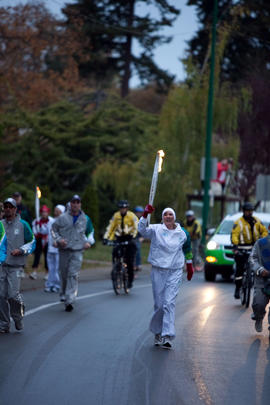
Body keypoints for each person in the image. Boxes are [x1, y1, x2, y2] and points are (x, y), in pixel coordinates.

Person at [138, 204, 194, 349]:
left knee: (169, 303)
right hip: (158, 270)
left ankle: (167, 335)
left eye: (170, 214)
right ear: (162, 217)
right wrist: (145, 215)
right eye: (165, 215)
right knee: (159, 305)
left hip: (175, 270)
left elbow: (187, 248)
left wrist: (189, 265)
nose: (168, 217)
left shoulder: (182, 233)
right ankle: (157, 331)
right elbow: (142, 230)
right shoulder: (156, 229)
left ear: (174, 217)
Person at [51, 194, 93, 312]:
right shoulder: (62, 217)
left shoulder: (85, 218)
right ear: (70, 204)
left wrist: (89, 242)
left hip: (78, 250)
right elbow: (53, 230)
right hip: (64, 250)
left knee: (73, 274)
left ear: (80, 204)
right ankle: (64, 294)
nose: (75, 204)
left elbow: (90, 232)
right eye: (73, 202)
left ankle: (69, 299)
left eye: (77, 202)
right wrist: (58, 240)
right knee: (64, 274)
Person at [0, 198, 35, 333]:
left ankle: (18, 317)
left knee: (12, 295)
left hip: (15, 266)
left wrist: (21, 250)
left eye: (11, 207)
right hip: (2, 266)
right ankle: (4, 323)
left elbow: (32, 241)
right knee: (1, 295)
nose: (8, 209)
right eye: (6, 206)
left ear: (15, 209)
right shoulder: (0, 225)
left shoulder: (22, 225)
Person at [231, 202, 268, 299]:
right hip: (242, 248)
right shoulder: (238, 222)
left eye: (251, 211)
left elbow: (264, 231)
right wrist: (235, 246)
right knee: (239, 269)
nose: (250, 213)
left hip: (254, 248)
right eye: (248, 211)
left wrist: (264, 241)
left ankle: (258, 284)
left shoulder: (257, 221)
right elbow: (234, 234)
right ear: (244, 211)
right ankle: (238, 288)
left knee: (259, 265)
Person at [103, 200, 138, 289]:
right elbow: (110, 227)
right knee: (115, 252)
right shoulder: (116, 216)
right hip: (119, 238)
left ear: (127, 208)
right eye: (121, 208)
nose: (123, 209)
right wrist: (106, 238)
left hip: (129, 238)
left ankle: (130, 279)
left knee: (129, 260)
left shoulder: (131, 216)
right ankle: (116, 270)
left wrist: (134, 237)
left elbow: (137, 227)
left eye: (124, 208)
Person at [249, 226, 270, 335]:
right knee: (258, 304)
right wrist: (260, 270)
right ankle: (258, 317)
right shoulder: (260, 243)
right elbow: (252, 258)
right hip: (262, 279)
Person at [44, 204, 65, 293]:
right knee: (51, 268)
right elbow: (45, 232)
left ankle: (57, 285)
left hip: (58, 249)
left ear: (61, 212)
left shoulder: (63, 222)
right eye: (55, 210)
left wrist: (58, 241)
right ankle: (50, 284)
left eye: (57, 210)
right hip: (50, 248)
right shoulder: (50, 221)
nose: (55, 211)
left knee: (57, 268)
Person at [30, 205, 52, 280]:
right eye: (42, 212)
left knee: (47, 257)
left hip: (48, 240)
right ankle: (34, 272)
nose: (44, 213)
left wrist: (44, 232)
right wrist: (37, 231)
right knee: (37, 255)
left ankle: (47, 273)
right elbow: (34, 230)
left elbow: (51, 230)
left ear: (48, 213)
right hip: (39, 240)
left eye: (45, 212)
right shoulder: (36, 221)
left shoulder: (51, 220)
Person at [134, 206, 144, 272]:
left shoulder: (143, 220)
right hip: (131, 237)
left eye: (140, 213)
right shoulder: (132, 219)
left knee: (137, 249)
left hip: (138, 237)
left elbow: (144, 230)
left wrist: (142, 237)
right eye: (138, 212)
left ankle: (138, 264)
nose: (139, 214)